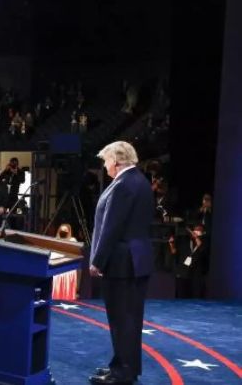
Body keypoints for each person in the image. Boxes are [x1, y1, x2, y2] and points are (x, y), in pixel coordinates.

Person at [89, 141, 154, 385]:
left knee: (123, 319)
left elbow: (111, 228)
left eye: (105, 160)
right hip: (133, 260)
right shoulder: (138, 180)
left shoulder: (125, 184)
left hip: (123, 263)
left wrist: (97, 260)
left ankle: (123, 373)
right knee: (127, 319)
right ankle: (122, 366)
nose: (104, 166)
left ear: (116, 160)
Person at [52, 224, 79, 300]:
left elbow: (75, 252)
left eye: (65, 231)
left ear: (69, 232)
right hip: (58, 265)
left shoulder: (73, 240)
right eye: (62, 231)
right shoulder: (55, 240)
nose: (63, 232)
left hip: (68, 266)